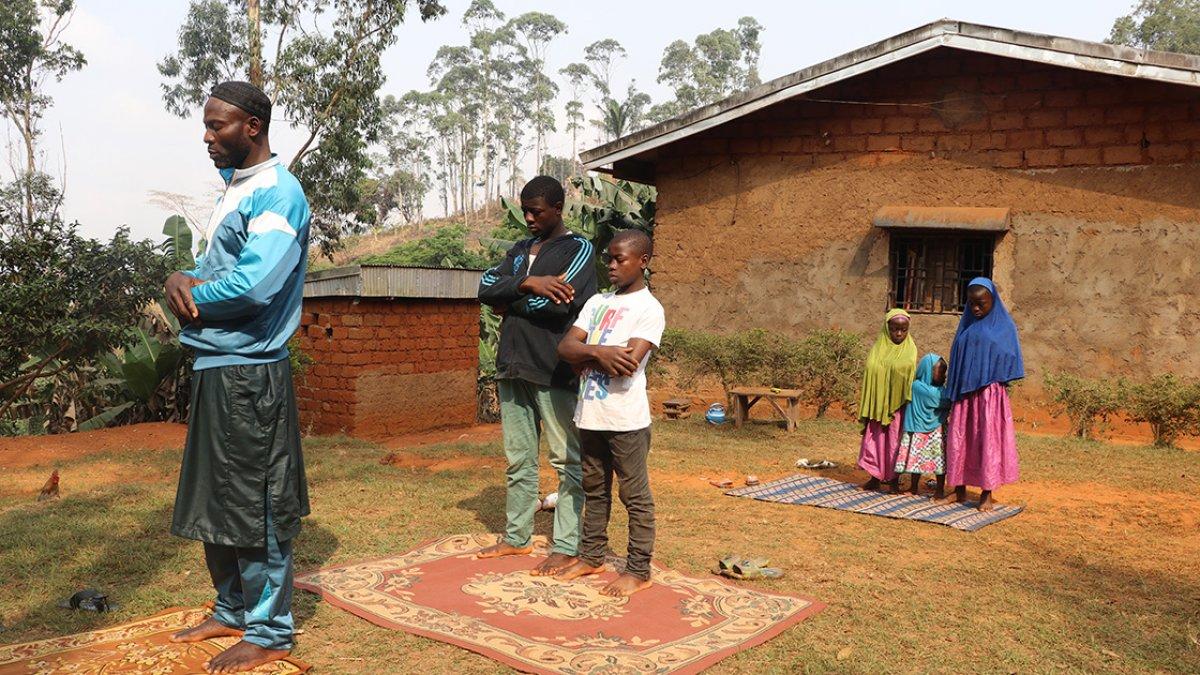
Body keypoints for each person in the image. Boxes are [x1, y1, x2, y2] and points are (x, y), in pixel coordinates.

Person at [163, 81, 310, 674]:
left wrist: (191, 289)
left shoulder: (278, 193)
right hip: (217, 366)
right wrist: (184, 275)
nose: (206, 137)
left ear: (252, 125)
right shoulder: (235, 189)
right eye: (205, 125)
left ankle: (270, 629)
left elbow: (253, 284)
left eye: (217, 126)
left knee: (257, 505)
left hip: (251, 375)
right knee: (217, 502)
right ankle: (231, 608)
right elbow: (214, 268)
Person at [475, 176, 597, 576]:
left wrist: (511, 306)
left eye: (537, 211)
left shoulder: (578, 248)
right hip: (512, 366)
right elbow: (485, 286)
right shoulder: (520, 250)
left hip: (553, 369)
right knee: (519, 459)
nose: (528, 218)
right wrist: (528, 282)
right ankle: (516, 537)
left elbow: (561, 306)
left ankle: (566, 544)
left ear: (558, 208)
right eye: (525, 210)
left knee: (566, 460)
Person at [555, 230, 664, 597]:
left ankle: (638, 569)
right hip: (590, 414)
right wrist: (600, 353)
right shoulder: (597, 302)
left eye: (621, 259)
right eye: (609, 259)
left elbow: (627, 364)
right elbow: (565, 347)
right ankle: (592, 556)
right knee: (595, 490)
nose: (612, 265)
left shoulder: (649, 309)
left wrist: (587, 352)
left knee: (634, 496)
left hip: (626, 419)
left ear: (643, 262)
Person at [940, 278, 1024, 511]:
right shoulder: (966, 328)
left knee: (986, 441)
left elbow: (1009, 358)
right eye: (972, 304)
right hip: (965, 398)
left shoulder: (1004, 328)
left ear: (992, 301)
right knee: (961, 440)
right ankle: (959, 490)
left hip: (988, 396)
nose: (976, 309)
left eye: (981, 304)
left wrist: (991, 380)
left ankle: (986, 493)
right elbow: (958, 359)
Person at [857, 308, 918, 492]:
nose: (899, 333)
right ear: (886, 328)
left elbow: (908, 377)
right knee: (875, 441)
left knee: (895, 442)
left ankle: (893, 481)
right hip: (877, 407)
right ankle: (874, 478)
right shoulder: (877, 350)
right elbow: (871, 372)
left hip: (898, 409)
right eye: (894, 329)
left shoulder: (910, 351)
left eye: (903, 329)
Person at [895, 354, 950, 497]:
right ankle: (913, 487)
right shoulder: (918, 387)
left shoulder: (938, 389)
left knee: (939, 461)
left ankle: (939, 490)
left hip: (936, 429)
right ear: (928, 371)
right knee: (916, 461)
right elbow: (941, 399)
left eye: (944, 373)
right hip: (921, 429)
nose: (944, 376)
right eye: (940, 372)